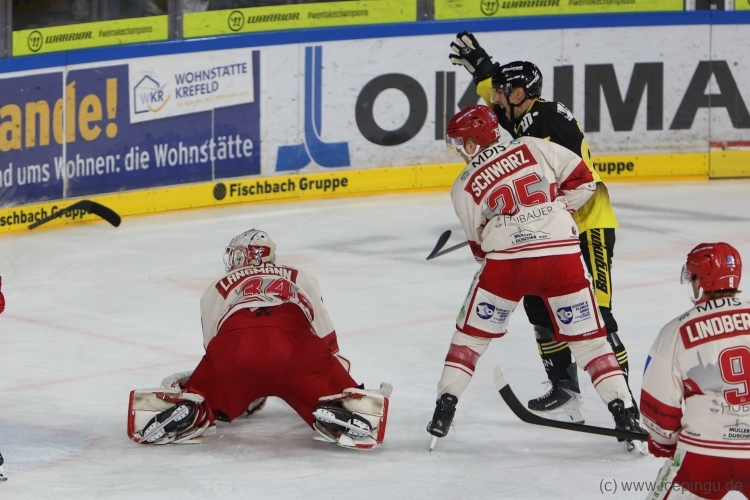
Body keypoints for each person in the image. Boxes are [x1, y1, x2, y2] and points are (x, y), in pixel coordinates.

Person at [426, 105, 645, 448]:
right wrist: (555, 210)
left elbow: (480, 250)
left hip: (507, 267)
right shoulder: (534, 145)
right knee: (590, 343)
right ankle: (624, 413)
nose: (458, 151)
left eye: (460, 144)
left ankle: (444, 408)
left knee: (470, 339)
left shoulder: (463, 184)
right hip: (561, 258)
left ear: (473, 143)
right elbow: (585, 182)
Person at [449, 32, 627, 422]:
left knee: (597, 314)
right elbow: (492, 114)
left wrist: (533, 208)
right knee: (538, 302)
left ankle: (624, 404)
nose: (494, 99)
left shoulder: (548, 120)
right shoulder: (521, 111)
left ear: (519, 94)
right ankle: (565, 388)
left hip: (588, 223)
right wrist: (484, 68)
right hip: (550, 233)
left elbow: (578, 180)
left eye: (501, 93)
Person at [128, 230, 391, 450]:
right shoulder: (301, 276)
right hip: (297, 348)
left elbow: (212, 347)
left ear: (245, 255)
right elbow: (328, 341)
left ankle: (194, 410)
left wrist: (237, 388)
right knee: (332, 393)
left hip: (235, 351)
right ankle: (345, 411)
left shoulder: (217, 285)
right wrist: (340, 381)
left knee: (204, 394)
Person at [641, 243, 750, 499]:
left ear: (701, 281)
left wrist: (664, 442)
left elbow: (658, 408)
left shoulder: (676, 330)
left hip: (705, 454)